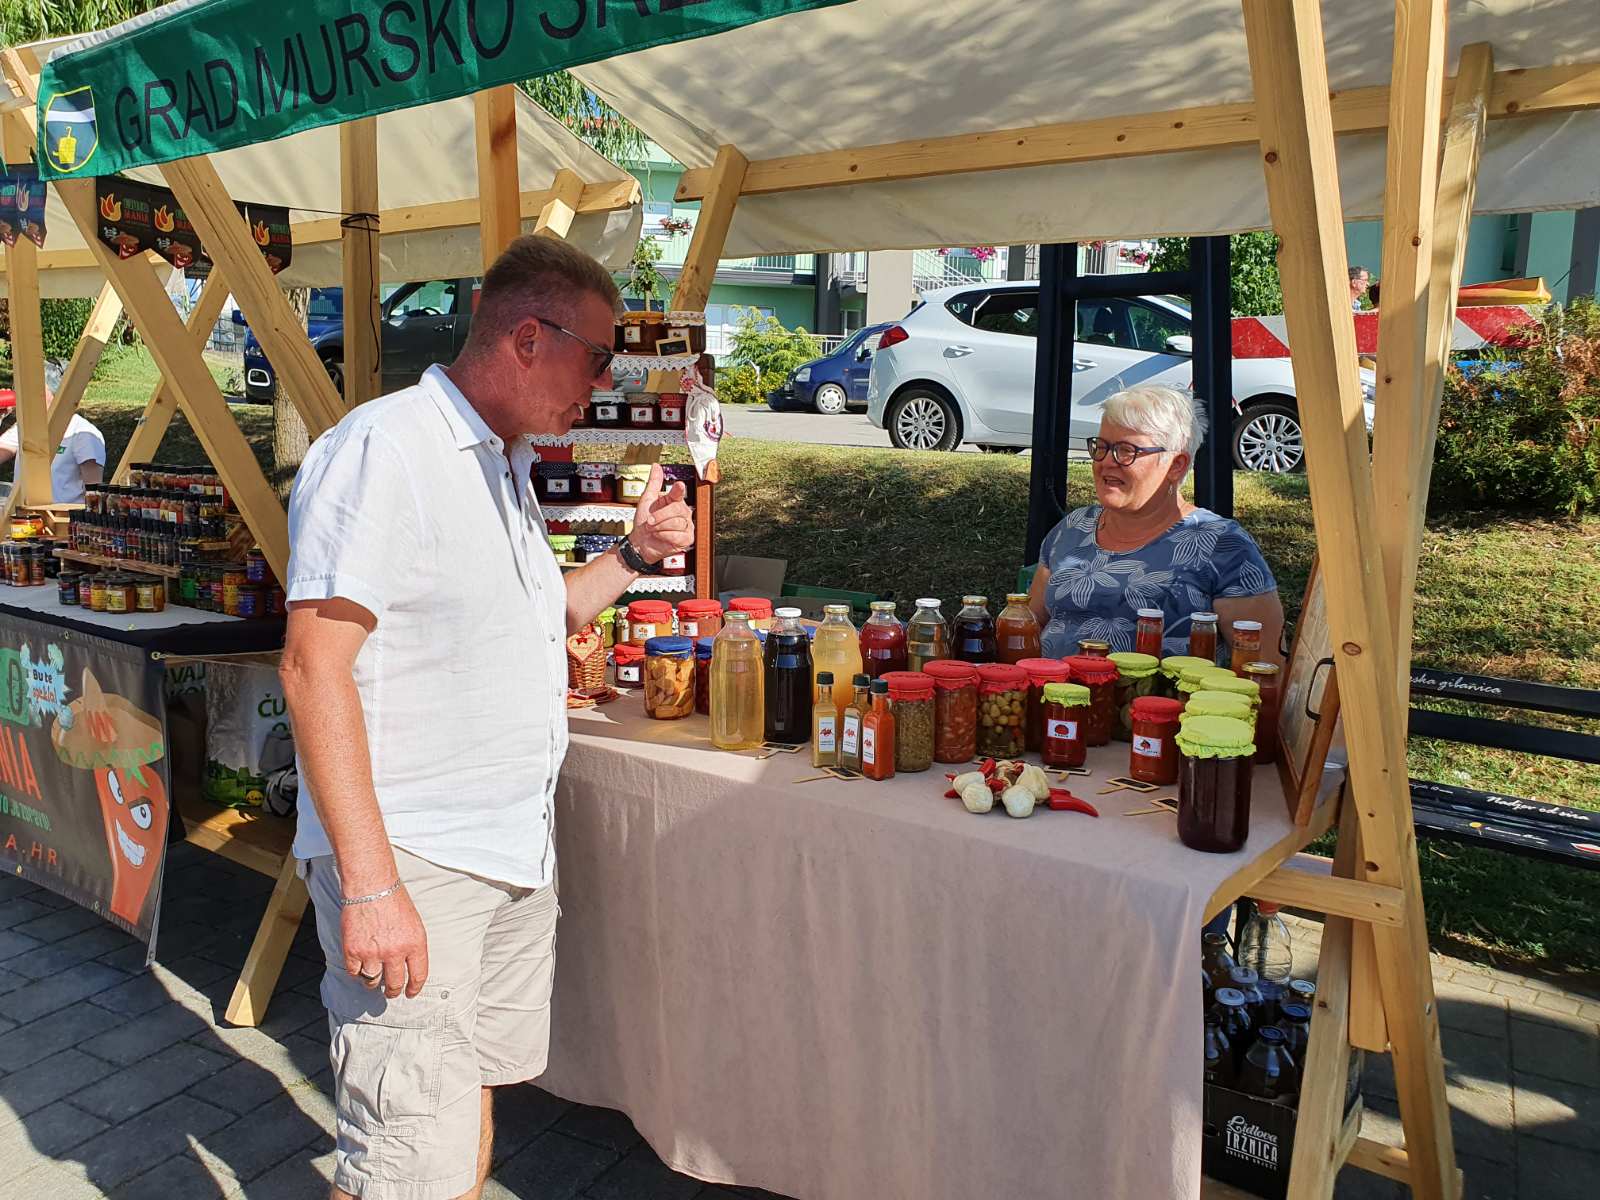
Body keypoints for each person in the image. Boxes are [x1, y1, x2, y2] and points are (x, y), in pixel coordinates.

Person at [279, 235, 694, 1200]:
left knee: (456, 1104)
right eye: (594, 357)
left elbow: (533, 618)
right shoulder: (389, 449)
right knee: (399, 1158)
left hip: (505, 846)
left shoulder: (499, 458)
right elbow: (311, 669)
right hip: (417, 854)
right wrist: (374, 887)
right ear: (525, 338)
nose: (600, 382)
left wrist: (631, 555)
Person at [1027, 384, 1284, 664]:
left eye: (1126, 451)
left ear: (1176, 464)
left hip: (1168, 706)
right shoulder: (1073, 528)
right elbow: (1029, 625)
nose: (1106, 462)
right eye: (1101, 447)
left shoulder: (1224, 546)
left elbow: (1263, 669)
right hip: (1053, 702)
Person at [0, 360, 106, 504]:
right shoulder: (25, 427)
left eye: (36, 389)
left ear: (58, 393)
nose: (28, 395)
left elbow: (95, 497)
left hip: (62, 522)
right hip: (24, 521)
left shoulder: (83, 433)